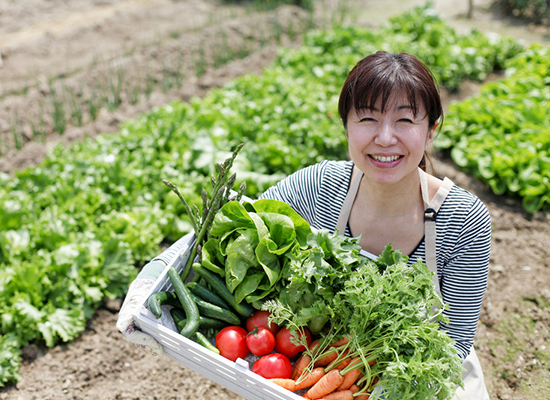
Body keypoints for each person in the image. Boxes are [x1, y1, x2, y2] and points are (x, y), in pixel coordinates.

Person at [116, 51, 492, 399]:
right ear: (345, 125)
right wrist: (152, 280)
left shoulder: (463, 220)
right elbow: (235, 223)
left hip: (415, 386)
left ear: (432, 130)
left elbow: (452, 346)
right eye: (368, 118)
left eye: (405, 120)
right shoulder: (319, 187)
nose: (385, 137)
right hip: (310, 372)